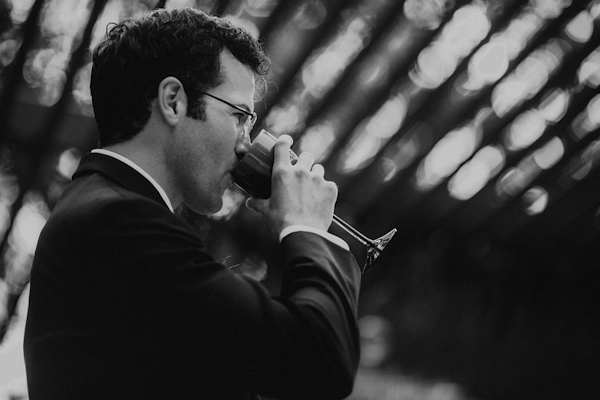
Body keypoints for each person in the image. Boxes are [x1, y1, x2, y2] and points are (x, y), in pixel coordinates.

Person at [23, 7, 362, 400]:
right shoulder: (118, 223)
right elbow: (319, 362)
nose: (245, 145)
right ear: (172, 101)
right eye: (239, 116)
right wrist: (305, 229)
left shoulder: (105, 214)